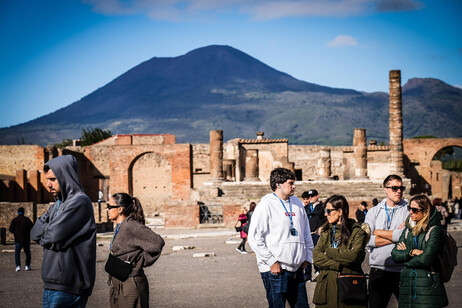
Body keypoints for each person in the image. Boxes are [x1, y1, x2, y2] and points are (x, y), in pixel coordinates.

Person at [30, 155, 96, 308]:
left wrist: (48, 231)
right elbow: (33, 232)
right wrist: (50, 230)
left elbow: (53, 236)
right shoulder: (57, 205)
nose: (48, 184)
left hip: (69, 286)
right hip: (52, 284)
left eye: (52, 179)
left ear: (65, 176)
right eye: (47, 179)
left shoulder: (80, 202)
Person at [248, 167, 314, 308]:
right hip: (276, 271)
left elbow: (306, 232)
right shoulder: (266, 205)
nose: (294, 186)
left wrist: (307, 257)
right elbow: (254, 238)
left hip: (297, 269)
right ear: (278, 184)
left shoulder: (297, 203)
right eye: (290, 183)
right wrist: (272, 262)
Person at [107, 193, 165, 308]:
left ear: (120, 209)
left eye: (109, 206)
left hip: (130, 284)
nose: (107, 210)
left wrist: (139, 261)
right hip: (118, 282)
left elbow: (157, 242)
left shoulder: (131, 226)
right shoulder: (120, 226)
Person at [391, 195, 448, 307]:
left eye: (415, 210)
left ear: (425, 211)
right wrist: (412, 252)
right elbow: (395, 255)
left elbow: (426, 259)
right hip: (407, 286)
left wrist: (405, 260)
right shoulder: (408, 230)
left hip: (428, 287)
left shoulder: (435, 231)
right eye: (409, 209)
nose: (410, 212)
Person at [313, 195, 368, 308]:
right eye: (325, 211)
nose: (325, 214)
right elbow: (316, 257)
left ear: (340, 212)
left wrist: (329, 252)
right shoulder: (326, 231)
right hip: (326, 290)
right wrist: (338, 264)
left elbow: (353, 256)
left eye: (328, 211)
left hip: (349, 290)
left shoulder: (357, 232)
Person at [364, 174, 409, 308]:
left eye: (401, 188)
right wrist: (395, 236)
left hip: (402, 270)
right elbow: (366, 239)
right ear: (385, 189)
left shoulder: (408, 210)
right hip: (379, 269)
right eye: (394, 188)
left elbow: (406, 236)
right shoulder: (374, 211)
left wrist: (378, 233)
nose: (399, 191)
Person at [301, 189, 325, 281]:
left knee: (317, 253)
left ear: (317, 196)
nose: (310, 198)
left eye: (312, 196)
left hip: (317, 234)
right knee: (307, 253)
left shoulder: (322, 207)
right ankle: (307, 274)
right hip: (308, 234)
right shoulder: (307, 208)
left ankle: (318, 271)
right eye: (309, 197)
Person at [9, 206, 33, 271]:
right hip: (26, 239)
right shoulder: (27, 220)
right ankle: (27, 266)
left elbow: (11, 229)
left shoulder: (14, 220)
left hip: (18, 239)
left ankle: (18, 266)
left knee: (17, 253)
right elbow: (32, 228)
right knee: (27, 253)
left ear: (18, 212)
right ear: (23, 212)